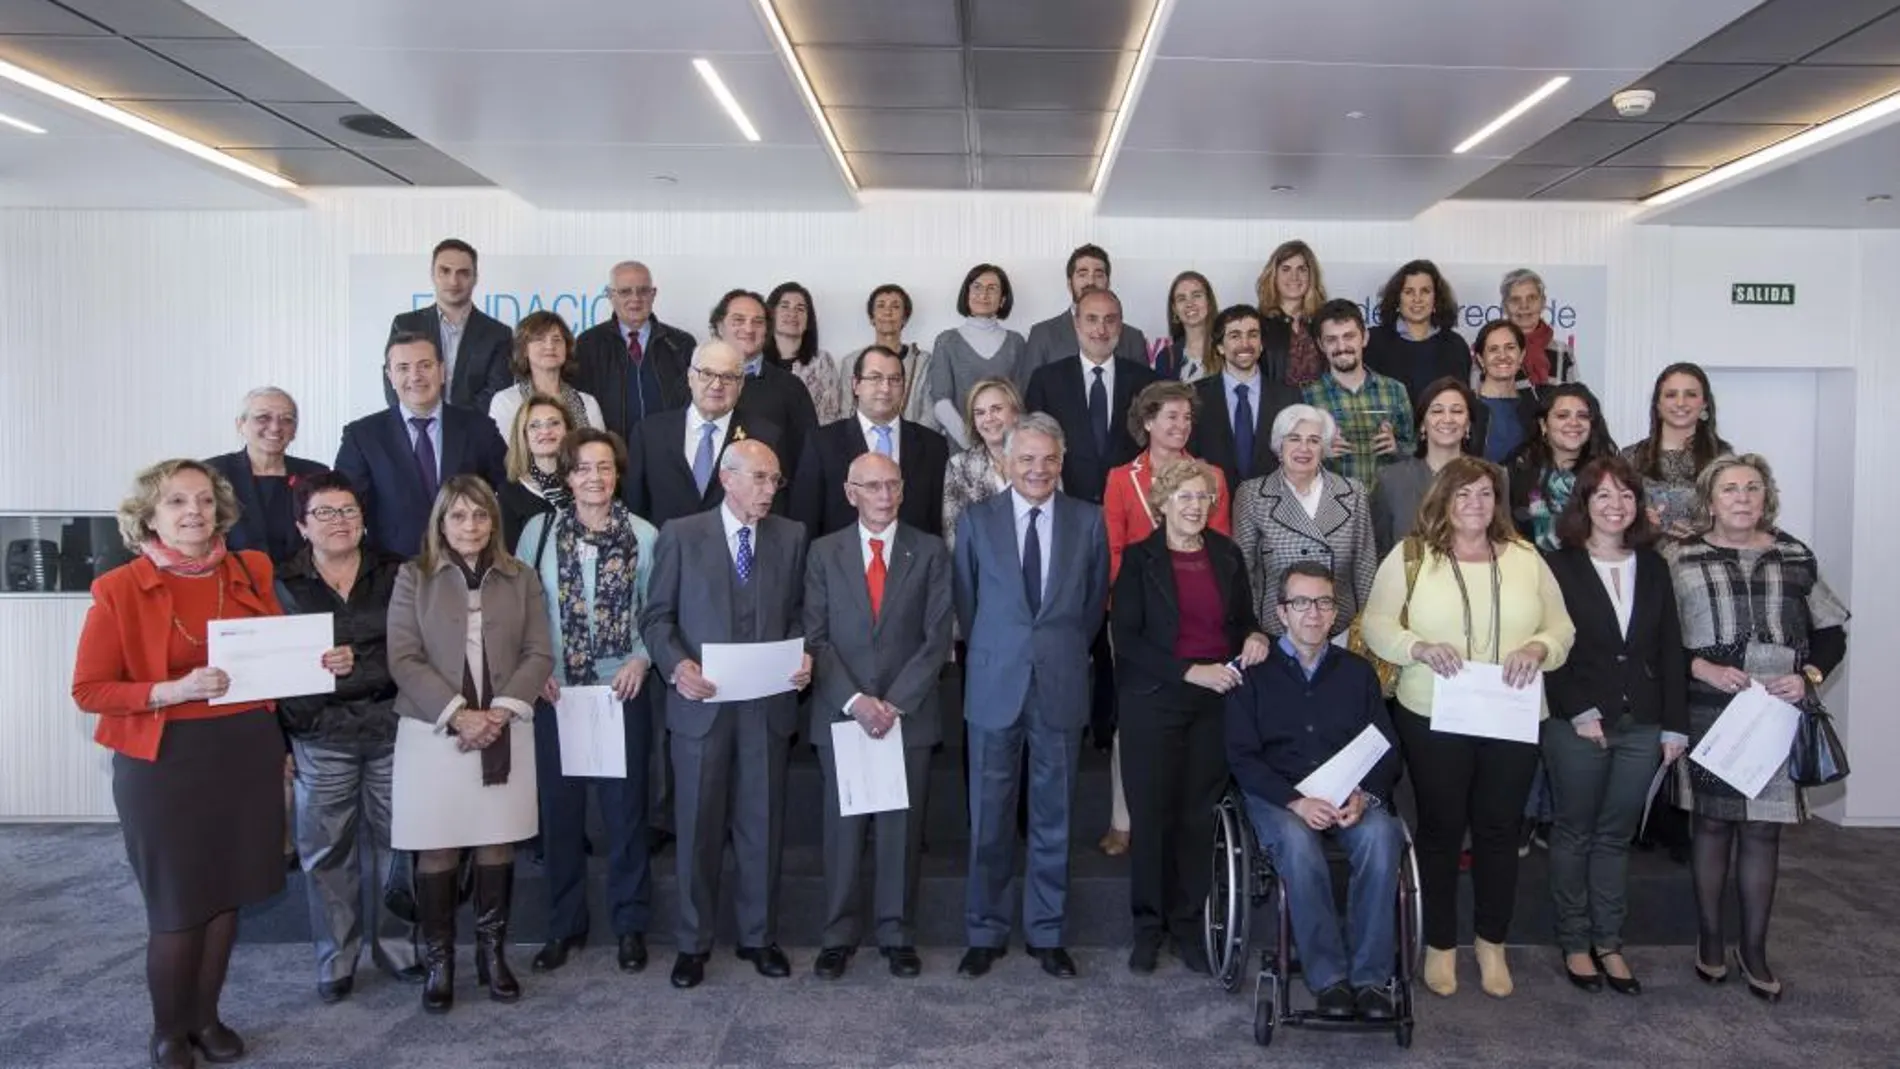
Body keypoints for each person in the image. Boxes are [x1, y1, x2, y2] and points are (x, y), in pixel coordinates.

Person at [71, 460, 317, 1068]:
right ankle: (168, 1032)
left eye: (204, 501)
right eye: (177, 502)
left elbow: (279, 650)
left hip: (244, 753)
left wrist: (319, 660)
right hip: (165, 763)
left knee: (227, 896)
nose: (194, 513)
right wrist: (170, 690)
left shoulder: (249, 568)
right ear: (150, 516)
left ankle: (206, 1019)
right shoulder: (119, 587)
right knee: (180, 905)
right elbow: (90, 690)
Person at [1361, 455, 1575, 1000]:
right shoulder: (1412, 555)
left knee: (1500, 830)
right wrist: (1418, 647)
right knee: (1440, 828)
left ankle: (1491, 943)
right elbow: (1376, 624)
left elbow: (1563, 628)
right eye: (1462, 495)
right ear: (1442, 500)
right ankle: (1439, 944)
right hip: (1434, 712)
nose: (1475, 504)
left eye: (1484, 494)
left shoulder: (1527, 557)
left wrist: (1539, 647)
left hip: (1511, 712)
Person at [1667, 453, 1848, 1002]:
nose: (1741, 497)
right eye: (1729, 489)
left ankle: (1756, 948)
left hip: (1775, 706)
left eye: (1751, 488)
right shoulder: (1680, 557)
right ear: (1709, 499)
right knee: (1714, 827)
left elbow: (1832, 630)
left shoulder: (1794, 554)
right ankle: (1710, 940)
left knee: (1764, 832)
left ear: (1765, 497)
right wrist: (1699, 666)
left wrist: (1809, 675)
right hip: (1709, 704)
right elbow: (1654, 636)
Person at [639, 440, 812, 990]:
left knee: (762, 826)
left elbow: (804, 611)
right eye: (760, 479)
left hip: (766, 706)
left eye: (774, 480)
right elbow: (657, 619)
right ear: (727, 477)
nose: (768, 491)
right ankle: (692, 944)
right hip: (701, 707)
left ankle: (759, 938)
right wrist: (675, 666)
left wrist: (803, 653)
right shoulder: (682, 535)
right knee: (696, 830)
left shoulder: (791, 536)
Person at [387, 475, 553, 1014]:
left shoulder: (520, 575)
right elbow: (403, 658)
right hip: (434, 731)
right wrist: (460, 716)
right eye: (458, 516)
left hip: (504, 727)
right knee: (437, 845)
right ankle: (439, 961)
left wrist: (498, 713)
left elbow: (539, 653)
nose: (470, 526)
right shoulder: (414, 577)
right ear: (441, 521)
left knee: (496, 841)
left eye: (480, 516)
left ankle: (492, 955)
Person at [953, 413, 1110, 981]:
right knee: (989, 817)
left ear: (1061, 461)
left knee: (1054, 816)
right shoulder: (976, 521)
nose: (1038, 469)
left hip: (1061, 684)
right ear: (1006, 462)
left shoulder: (1089, 522)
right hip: (994, 685)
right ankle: (984, 931)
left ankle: (1046, 933)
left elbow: (1092, 609)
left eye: (1048, 459)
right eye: (1026, 459)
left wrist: (1054, 650)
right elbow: (967, 606)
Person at [1226, 562, 1404, 1021]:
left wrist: (1364, 796)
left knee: (1383, 837)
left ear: (1335, 612)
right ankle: (1328, 979)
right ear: (1281, 612)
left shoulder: (1357, 673)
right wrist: (1296, 802)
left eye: (1323, 603)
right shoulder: (1254, 674)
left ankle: (1369, 980)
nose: (1313, 613)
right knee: (1298, 845)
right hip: (1280, 798)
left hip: (1349, 797)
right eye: (1301, 603)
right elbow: (1242, 757)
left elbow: (1385, 748)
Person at [1112, 458, 1268, 974]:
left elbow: (1244, 619)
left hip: (1215, 705)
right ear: (1162, 503)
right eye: (1185, 497)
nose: (1195, 506)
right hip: (1154, 703)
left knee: (1196, 820)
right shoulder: (1139, 559)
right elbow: (1127, 641)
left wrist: (1256, 636)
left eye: (1203, 498)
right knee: (1152, 817)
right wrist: (1189, 671)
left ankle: (1187, 927)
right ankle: (1146, 929)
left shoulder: (1227, 554)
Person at [803, 452, 954, 980]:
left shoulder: (931, 551)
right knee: (842, 832)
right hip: (842, 714)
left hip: (906, 715)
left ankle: (896, 934)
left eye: (892, 485)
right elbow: (815, 637)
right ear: (850, 493)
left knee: (900, 831)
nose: (884, 496)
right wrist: (856, 702)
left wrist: (893, 703)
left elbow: (937, 639)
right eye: (872, 487)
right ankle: (837, 937)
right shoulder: (823, 553)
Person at [1541, 456, 1688, 996]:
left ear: (1638, 506)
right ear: (1584, 504)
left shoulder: (1653, 566)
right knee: (1574, 832)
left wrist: (1675, 727)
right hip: (1577, 722)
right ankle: (1574, 942)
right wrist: (1577, 710)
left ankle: (1609, 942)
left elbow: (1671, 648)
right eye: (1602, 495)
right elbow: (1546, 647)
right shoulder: (1557, 566)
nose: (1615, 504)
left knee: (1615, 837)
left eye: (1625, 495)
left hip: (1643, 725)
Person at [516, 429, 660, 977]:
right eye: (583, 469)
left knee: (626, 817)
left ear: (617, 474)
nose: (595, 478)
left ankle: (629, 926)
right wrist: (537, 668)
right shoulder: (539, 531)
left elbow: (657, 611)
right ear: (567, 476)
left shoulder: (644, 535)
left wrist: (642, 658)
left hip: (620, 691)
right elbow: (522, 606)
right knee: (560, 817)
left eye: (605, 468)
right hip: (557, 693)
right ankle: (564, 924)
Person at [273, 471, 422, 1003]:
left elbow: (416, 646)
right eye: (325, 513)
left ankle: (397, 945)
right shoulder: (281, 582)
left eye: (348, 512)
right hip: (320, 732)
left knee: (397, 844)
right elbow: (272, 664)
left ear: (363, 521)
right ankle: (336, 956)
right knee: (326, 851)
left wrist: (357, 662)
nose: (339, 522)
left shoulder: (399, 572)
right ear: (302, 525)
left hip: (391, 726)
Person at [1098, 381, 1234, 858]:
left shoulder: (1210, 475)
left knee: (1198, 725)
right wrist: (1140, 598)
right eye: (1170, 416)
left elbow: (1220, 549)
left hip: (1198, 620)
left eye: (1186, 418)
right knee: (1132, 724)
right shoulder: (1120, 478)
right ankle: (1123, 819)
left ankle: (1184, 820)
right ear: (1148, 422)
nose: (1180, 425)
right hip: (1137, 623)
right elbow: (1112, 549)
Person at [335, 332, 509, 557]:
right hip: (391, 572)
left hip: (467, 567)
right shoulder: (361, 436)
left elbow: (507, 493)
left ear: (442, 371)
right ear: (390, 376)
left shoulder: (479, 428)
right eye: (403, 368)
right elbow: (345, 508)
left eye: (425, 365)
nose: (415, 376)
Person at [1232, 404, 1378, 639]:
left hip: (1340, 629)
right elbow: (1243, 572)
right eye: (1294, 439)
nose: (1304, 448)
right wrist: (1251, 630)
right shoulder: (1252, 495)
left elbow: (1365, 566)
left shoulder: (1353, 493)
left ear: (1324, 448)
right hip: (1275, 631)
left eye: (1313, 440)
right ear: (1280, 446)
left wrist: (1366, 630)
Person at [791, 344, 950, 538]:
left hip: (913, 563)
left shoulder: (934, 445)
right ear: (855, 384)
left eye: (894, 379)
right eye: (875, 378)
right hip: (842, 564)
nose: (885, 388)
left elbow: (936, 526)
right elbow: (805, 520)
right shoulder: (821, 443)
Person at [624, 339, 783, 528]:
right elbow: (634, 512)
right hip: (666, 553)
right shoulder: (649, 434)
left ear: (740, 385)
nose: (716, 385)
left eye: (728, 377)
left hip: (735, 554)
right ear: (690, 377)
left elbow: (773, 514)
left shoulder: (764, 437)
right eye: (707, 374)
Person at [1024, 287, 1160, 506]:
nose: (1101, 329)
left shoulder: (1147, 381)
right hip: (1065, 506)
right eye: (1092, 319)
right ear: (1076, 324)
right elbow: (1034, 445)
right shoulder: (1046, 380)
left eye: (1110, 320)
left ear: (1121, 325)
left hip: (1131, 506)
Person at [570, 260, 696, 443]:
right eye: (625, 291)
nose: (635, 299)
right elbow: (579, 405)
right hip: (611, 458)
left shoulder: (681, 344)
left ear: (653, 294)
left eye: (643, 290)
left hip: (668, 453)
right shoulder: (589, 344)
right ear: (610, 295)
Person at [1302, 298, 1416, 496]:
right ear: (1321, 345)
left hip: (1385, 507)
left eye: (1349, 336)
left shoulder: (1395, 390)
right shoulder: (1307, 396)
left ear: (1364, 338)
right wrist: (1320, 452)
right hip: (1331, 508)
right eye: (1332, 339)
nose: (1341, 346)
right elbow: (1291, 458)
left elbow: (1415, 452)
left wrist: (1396, 447)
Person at [385, 238, 513, 412]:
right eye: (445, 271)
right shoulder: (405, 324)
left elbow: (495, 393)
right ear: (432, 274)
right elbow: (395, 381)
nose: (453, 281)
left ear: (475, 278)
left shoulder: (498, 334)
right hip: (416, 431)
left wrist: (454, 427)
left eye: (463, 273)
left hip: (472, 433)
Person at [205, 386, 328, 565]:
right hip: (234, 580)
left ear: (294, 431)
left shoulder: (315, 474)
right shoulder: (212, 472)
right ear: (240, 424)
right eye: (263, 418)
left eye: (287, 420)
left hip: (303, 583)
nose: (275, 427)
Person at [1188, 304, 1303, 490]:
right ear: (1219, 347)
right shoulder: (1195, 396)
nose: (1245, 344)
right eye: (1235, 336)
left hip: (1271, 509)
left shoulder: (1288, 397)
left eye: (1253, 334)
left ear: (1262, 344)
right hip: (1214, 507)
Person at [1370, 377, 1481, 557]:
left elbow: (1500, 544)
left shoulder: (1492, 478)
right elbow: (1378, 551)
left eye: (1457, 411)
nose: (1447, 419)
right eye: (1437, 411)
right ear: (1422, 424)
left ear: (1468, 424)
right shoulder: (1391, 480)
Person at [711, 288, 819, 472]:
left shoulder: (791, 388)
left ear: (767, 330)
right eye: (738, 320)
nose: (748, 328)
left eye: (758, 322)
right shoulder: (693, 383)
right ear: (720, 327)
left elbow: (809, 459)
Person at [1622, 362, 1730, 541]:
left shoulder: (1723, 458)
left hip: (1704, 561)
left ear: (1704, 405)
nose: (1681, 403)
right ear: (1658, 404)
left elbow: (1738, 516)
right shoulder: (1630, 457)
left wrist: (1705, 528)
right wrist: (1640, 521)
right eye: (1671, 395)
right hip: (1645, 560)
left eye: (1691, 395)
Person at [927, 263, 1032, 446]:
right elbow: (941, 402)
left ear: (1002, 299)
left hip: (1006, 450)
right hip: (961, 450)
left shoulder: (1016, 342)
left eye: (992, 289)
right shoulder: (947, 341)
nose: (983, 295)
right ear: (967, 294)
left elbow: (1019, 403)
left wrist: (1003, 445)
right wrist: (971, 445)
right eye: (977, 287)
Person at [1506, 382, 1617, 552]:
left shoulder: (1610, 473)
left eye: (1582, 416)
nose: (1574, 423)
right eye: (1562, 415)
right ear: (1544, 425)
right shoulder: (1516, 470)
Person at [1023, 244, 1149, 375]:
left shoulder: (1133, 338)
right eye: (1082, 274)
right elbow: (1029, 392)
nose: (1091, 281)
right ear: (1069, 283)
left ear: (1108, 282)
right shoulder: (1042, 334)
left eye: (1098, 275)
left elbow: (1146, 393)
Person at [1366, 259, 1470, 406]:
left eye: (1425, 291)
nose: (1417, 299)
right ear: (1397, 298)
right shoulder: (1373, 342)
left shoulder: (1455, 345)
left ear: (1436, 298)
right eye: (1409, 292)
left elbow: (1463, 401)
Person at [940, 378, 1024, 553]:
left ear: (1015, 413)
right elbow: (952, 534)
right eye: (980, 413)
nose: (988, 419)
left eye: (996, 409)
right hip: (983, 572)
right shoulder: (959, 466)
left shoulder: (1038, 457)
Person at [488, 310, 604, 437]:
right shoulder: (506, 401)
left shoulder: (587, 403)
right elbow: (501, 454)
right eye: (540, 339)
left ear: (567, 348)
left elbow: (599, 450)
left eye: (557, 339)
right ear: (524, 349)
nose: (550, 346)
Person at [848, 283, 937, 431]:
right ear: (871, 318)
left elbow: (930, 412)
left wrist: (913, 442)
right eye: (881, 306)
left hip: (912, 445)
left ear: (905, 319)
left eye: (895, 307)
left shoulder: (923, 362)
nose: (887, 312)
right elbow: (847, 411)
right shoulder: (851, 361)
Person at [765, 281, 850, 426]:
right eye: (785, 306)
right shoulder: (755, 362)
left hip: (812, 444)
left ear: (808, 319)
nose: (792, 314)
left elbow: (832, 415)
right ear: (771, 314)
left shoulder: (822, 361)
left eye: (800, 309)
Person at [497, 394, 574, 551]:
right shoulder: (509, 494)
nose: (545, 431)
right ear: (523, 436)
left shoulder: (586, 482)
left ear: (568, 431)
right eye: (534, 426)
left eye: (554, 423)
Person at [1254, 239, 1329, 387]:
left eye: (1302, 269)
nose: (1294, 277)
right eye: (1286, 269)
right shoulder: (1258, 324)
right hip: (1276, 408)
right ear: (1273, 275)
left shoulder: (1324, 322)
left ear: (1311, 276)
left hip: (1322, 407)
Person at [1470, 319, 1544, 464]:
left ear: (1522, 355)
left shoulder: (1534, 411)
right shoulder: (1467, 408)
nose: (1502, 356)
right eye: (1493, 349)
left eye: (1510, 347)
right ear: (1481, 359)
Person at [1500, 268, 1576, 386]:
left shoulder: (1563, 352)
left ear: (1543, 302)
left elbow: (1575, 400)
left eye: (1531, 298)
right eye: (1515, 300)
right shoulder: (1491, 351)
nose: (1524, 306)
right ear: (1505, 306)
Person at [1147, 271, 1221, 382]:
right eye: (1181, 299)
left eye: (1196, 296)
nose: (1189, 304)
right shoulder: (1165, 358)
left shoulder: (1226, 350)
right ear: (1175, 309)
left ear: (1209, 302)